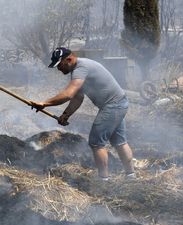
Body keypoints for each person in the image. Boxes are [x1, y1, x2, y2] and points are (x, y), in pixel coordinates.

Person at [29, 47, 135, 180]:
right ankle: (131, 176)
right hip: (119, 103)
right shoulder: (80, 69)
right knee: (119, 142)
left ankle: (104, 181)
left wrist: (44, 103)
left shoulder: (81, 68)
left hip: (113, 105)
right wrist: (65, 115)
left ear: (69, 59)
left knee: (96, 143)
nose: (59, 69)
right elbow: (78, 97)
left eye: (60, 65)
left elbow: (68, 94)